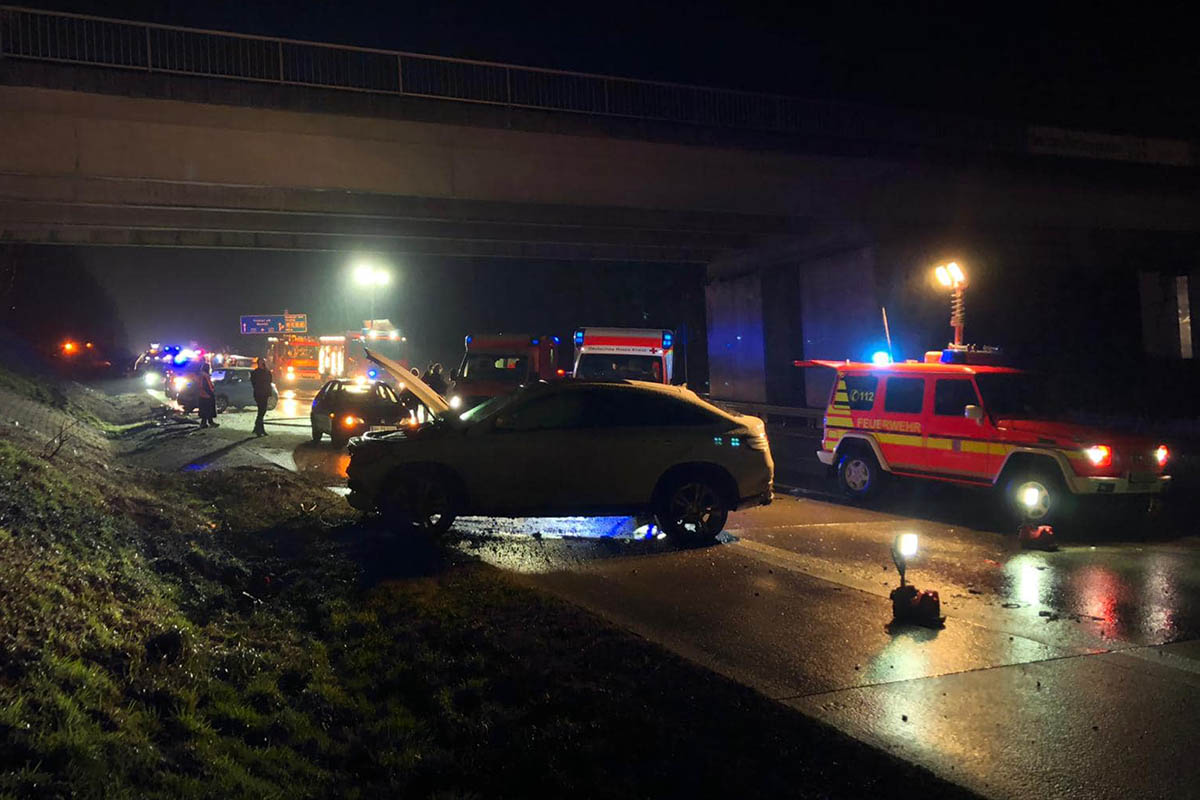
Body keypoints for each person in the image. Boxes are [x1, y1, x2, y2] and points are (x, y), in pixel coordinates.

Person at [251, 357, 273, 436]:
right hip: (259, 394)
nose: (262, 363)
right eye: (261, 362)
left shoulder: (267, 372)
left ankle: (258, 428)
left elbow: (270, 381)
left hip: (265, 394)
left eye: (263, 362)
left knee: (262, 412)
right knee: (261, 411)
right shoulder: (256, 373)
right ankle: (259, 430)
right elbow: (254, 383)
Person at [197, 362, 218, 428]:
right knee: (208, 409)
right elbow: (206, 385)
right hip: (206, 395)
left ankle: (208, 422)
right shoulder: (205, 375)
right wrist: (210, 392)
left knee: (205, 410)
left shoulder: (201, 375)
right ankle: (206, 423)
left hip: (202, 395)